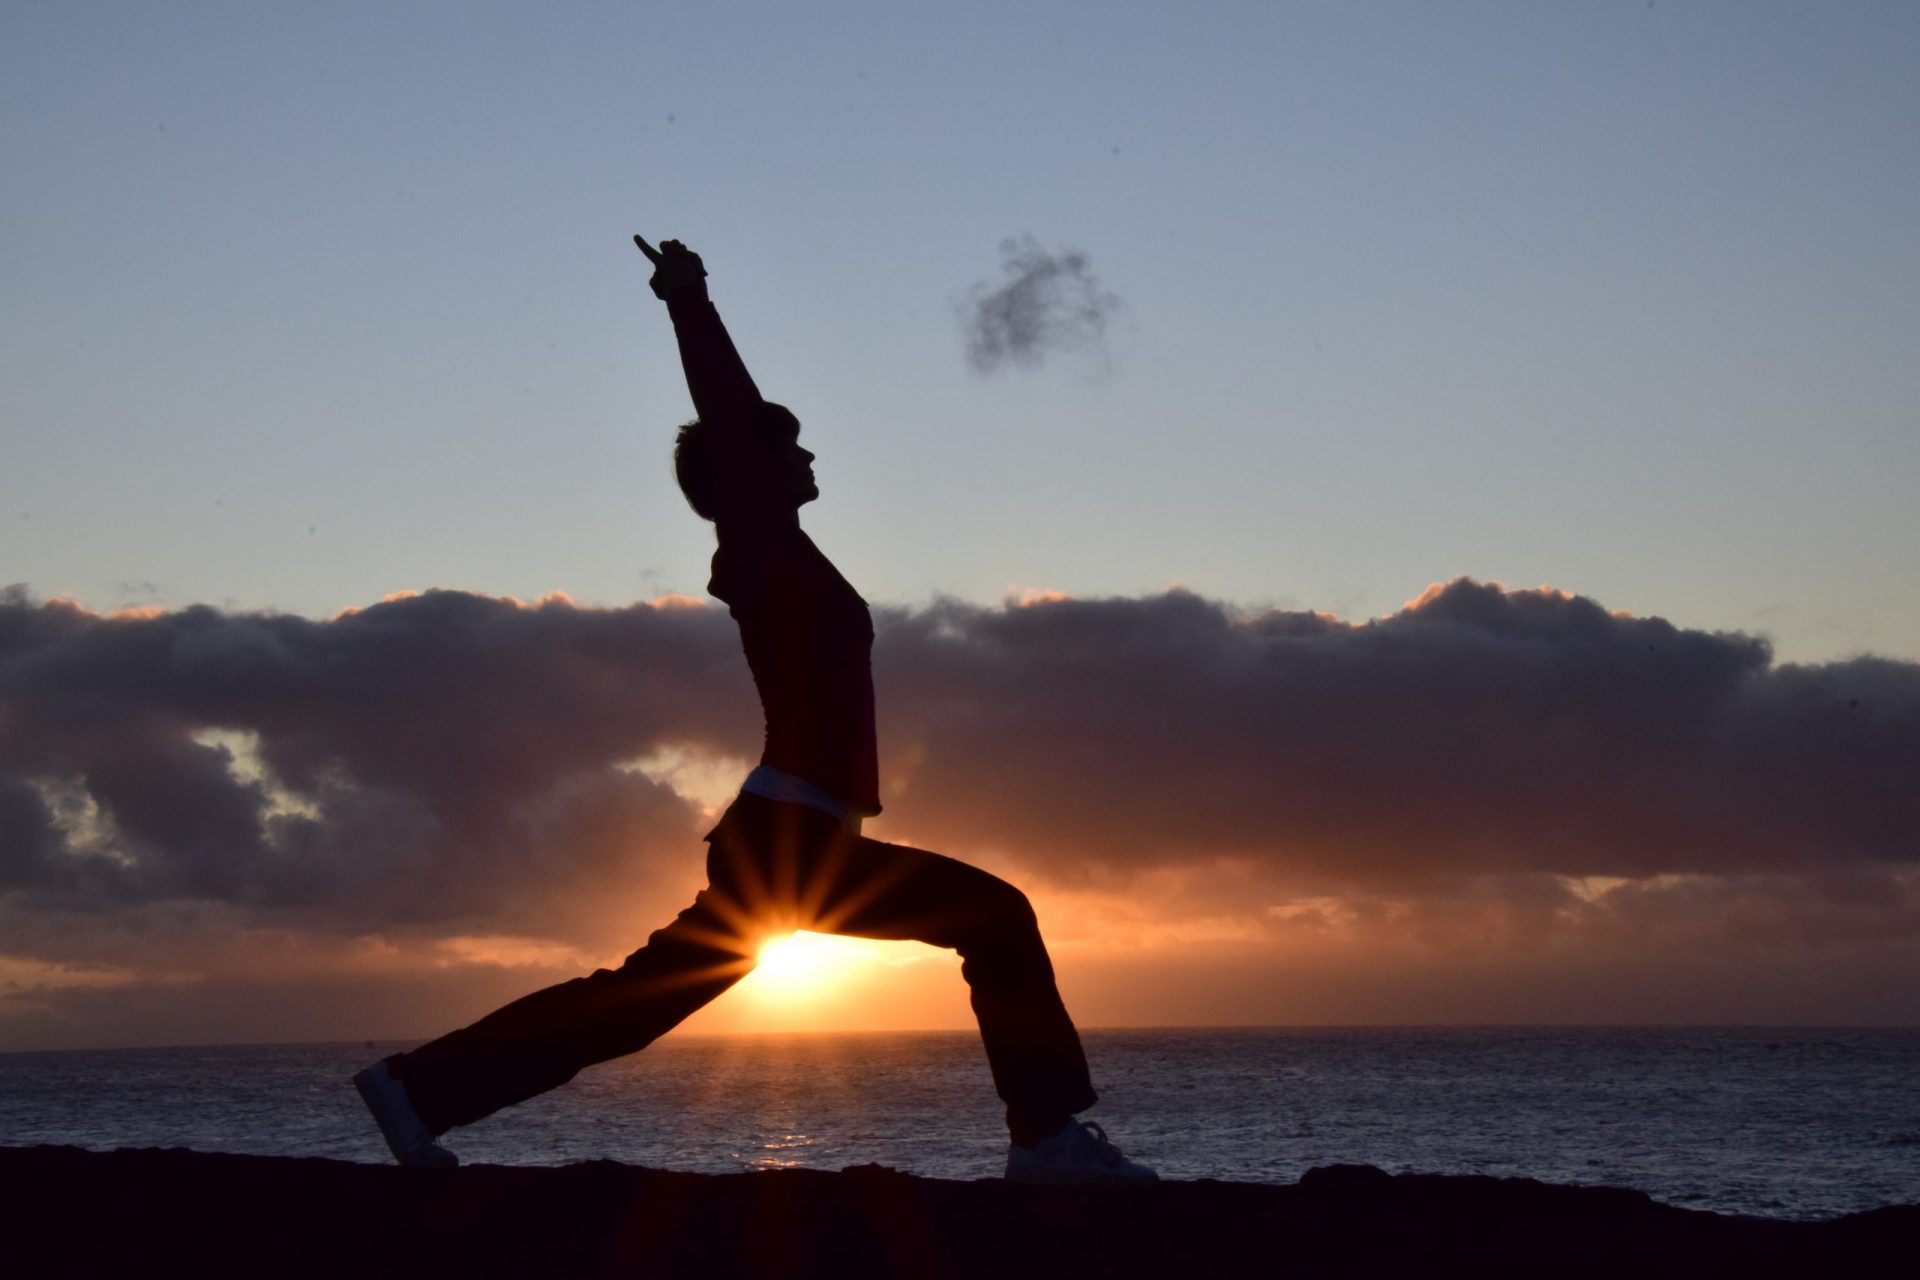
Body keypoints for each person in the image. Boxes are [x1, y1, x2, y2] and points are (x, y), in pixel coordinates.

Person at [353, 236, 1155, 1184]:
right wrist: (688, 299)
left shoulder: (791, 554)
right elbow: (728, 416)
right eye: (791, 444)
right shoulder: (762, 546)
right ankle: (1046, 1140)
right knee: (995, 918)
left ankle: (418, 1088)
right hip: (791, 834)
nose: (810, 453)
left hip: (789, 831)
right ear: (752, 469)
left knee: (639, 1000)